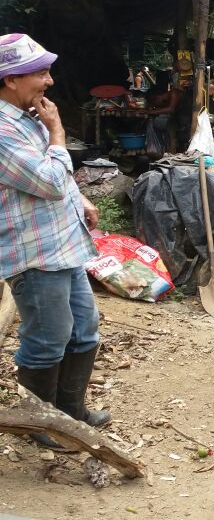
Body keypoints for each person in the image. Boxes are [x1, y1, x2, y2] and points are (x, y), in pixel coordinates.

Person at [0, 33, 110, 449]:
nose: (49, 81)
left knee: (84, 331)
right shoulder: (3, 129)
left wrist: (77, 195)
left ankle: (71, 413)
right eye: (40, 73)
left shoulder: (26, 117)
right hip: (34, 253)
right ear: (10, 79)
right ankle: (37, 423)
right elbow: (46, 179)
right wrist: (58, 132)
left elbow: (49, 177)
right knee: (47, 340)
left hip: (62, 244)